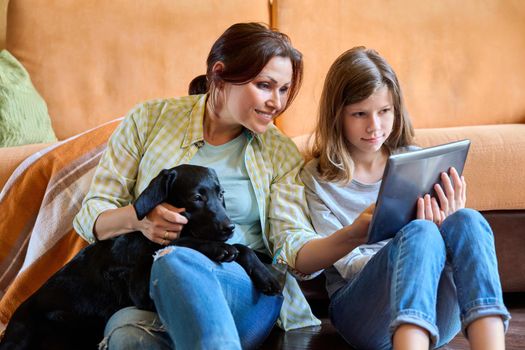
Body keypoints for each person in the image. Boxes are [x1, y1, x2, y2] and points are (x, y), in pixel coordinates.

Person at [73, 22, 325, 350]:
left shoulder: (279, 153)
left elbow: (291, 241)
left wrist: (350, 237)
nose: (276, 102)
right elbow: (94, 213)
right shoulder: (149, 121)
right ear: (220, 75)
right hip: (156, 289)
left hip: (244, 289)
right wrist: (140, 219)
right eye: (265, 85)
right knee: (127, 335)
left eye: (284, 89)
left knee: (175, 259)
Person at [300, 47, 511, 350]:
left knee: (468, 219)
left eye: (384, 111)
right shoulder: (318, 178)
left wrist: (444, 228)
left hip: (437, 314)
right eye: (360, 114)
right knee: (421, 232)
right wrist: (414, 246)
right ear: (337, 116)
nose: (374, 126)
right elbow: (347, 265)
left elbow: (454, 245)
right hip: (364, 313)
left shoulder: (415, 161)